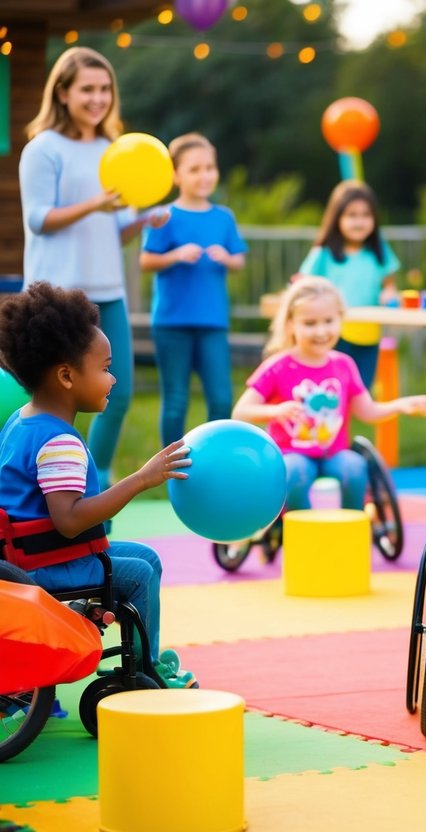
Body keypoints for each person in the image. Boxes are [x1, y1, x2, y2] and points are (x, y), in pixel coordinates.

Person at [0, 282, 198, 688]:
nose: (113, 379)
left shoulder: (22, 420)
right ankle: (141, 672)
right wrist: (141, 479)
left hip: (26, 554)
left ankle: (147, 658)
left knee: (146, 557)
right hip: (47, 564)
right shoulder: (59, 443)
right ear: (67, 376)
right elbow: (70, 520)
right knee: (139, 575)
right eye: (105, 368)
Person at [19, 47, 170, 491]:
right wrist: (97, 204)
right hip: (59, 297)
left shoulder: (113, 149)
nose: (98, 98)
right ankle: (57, 487)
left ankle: (93, 483)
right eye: (87, 89)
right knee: (59, 400)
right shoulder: (43, 148)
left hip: (108, 289)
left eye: (105, 89)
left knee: (117, 394)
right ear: (63, 93)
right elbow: (39, 219)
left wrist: (141, 220)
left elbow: (113, 231)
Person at [233, 277, 426, 515]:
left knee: (354, 467)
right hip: (291, 454)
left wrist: (402, 405)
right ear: (290, 324)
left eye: (328, 321)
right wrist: (275, 411)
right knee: (295, 472)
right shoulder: (278, 366)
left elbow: (366, 411)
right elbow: (241, 412)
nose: (321, 331)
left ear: (340, 320)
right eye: (310, 323)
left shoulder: (344, 365)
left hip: (334, 454)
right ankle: (302, 526)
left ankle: (350, 525)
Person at [139, 133, 247, 446]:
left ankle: (217, 458)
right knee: (175, 399)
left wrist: (227, 258)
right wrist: (175, 255)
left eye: (210, 167)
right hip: (172, 323)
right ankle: (170, 465)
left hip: (213, 322)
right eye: (195, 169)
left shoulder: (223, 217)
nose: (205, 175)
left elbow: (238, 259)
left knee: (221, 396)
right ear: (176, 175)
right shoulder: (164, 217)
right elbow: (146, 261)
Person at [297, 181, 401, 389]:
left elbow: (389, 284)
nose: (359, 222)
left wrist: (390, 293)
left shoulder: (378, 250)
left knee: (360, 390)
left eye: (366, 215)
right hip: (333, 334)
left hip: (368, 333)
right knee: (332, 390)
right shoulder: (324, 253)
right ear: (337, 218)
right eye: (352, 215)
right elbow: (303, 287)